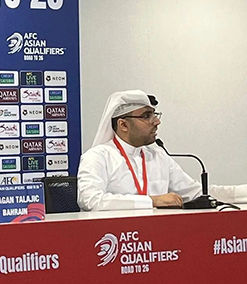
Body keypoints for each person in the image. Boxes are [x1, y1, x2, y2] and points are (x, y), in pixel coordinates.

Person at [77, 90, 247, 211]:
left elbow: (197, 193)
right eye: (146, 116)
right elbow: (90, 200)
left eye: (155, 114)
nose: (156, 122)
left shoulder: (157, 156)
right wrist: (152, 201)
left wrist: (242, 193)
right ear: (123, 125)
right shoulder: (98, 157)